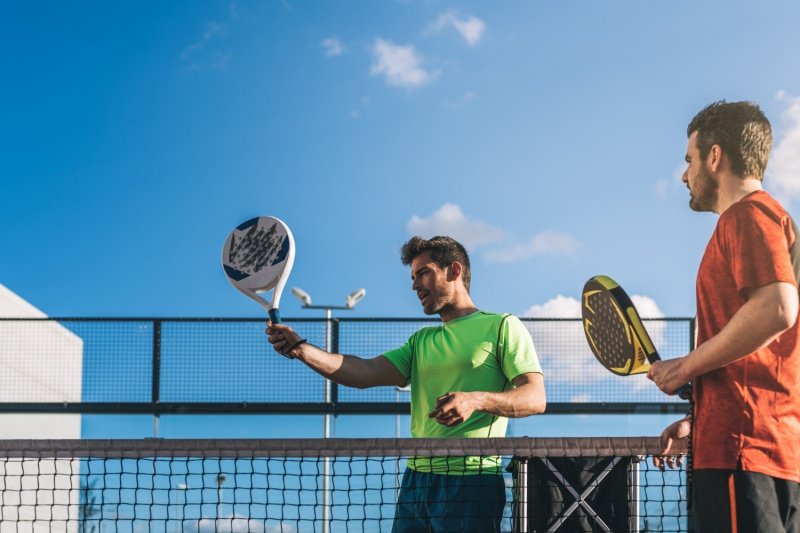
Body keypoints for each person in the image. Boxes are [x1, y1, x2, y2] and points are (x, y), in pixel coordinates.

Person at [266, 235, 546, 533]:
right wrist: (303, 350)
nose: (414, 285)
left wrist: (475, 400)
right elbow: (365, 371)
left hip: (472, 479)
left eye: (423, 273)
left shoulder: (502, 326)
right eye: (413, 277)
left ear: (454, 271)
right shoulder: (421, 341)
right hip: (416, 480)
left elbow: (535, 397)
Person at [648, 101, 800, 532]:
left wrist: (684, 368)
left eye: (689, 160)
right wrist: (700, 422)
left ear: (714, 157)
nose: (684, 175)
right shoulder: (772, 220)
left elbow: (777, 309)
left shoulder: (748, 216)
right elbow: (771, 361)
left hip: (743, 453)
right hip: (761, 450)